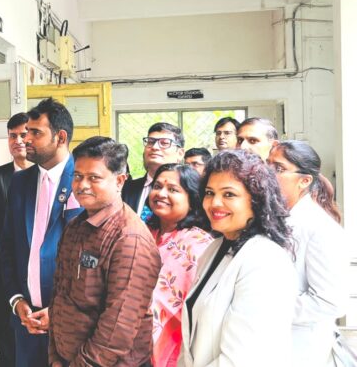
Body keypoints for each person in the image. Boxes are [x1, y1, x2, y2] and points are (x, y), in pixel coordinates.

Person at [49, 136, 161, 367]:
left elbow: (119, 325)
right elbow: (60, 296)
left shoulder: (130, 238)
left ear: (120, 181)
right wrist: (55, 358)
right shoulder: (76, 227)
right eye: (78, 176)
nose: (82, 185)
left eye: (94, 178)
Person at [178, 150, 296, 367]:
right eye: (210, 193)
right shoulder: (214, 248)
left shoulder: (265, 260)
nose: (214, 203)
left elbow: (242, 358)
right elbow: (190, 341)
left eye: (229, 194)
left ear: (256, 200)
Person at [0, 98, 82, 367]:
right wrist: (16, 299)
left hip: (72, 321)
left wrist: (59, 310)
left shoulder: (83, 180)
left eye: (35, 133)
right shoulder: (21, 182)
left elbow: (90, 259)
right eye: (25, 133)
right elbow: (9, 245)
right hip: (27, 320)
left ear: (60, 137)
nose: (26, 140)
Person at [267, 141, 348, 367]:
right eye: (267, 165)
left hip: (300, 350)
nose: (268, 173)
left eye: (279, 169)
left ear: (304, 180)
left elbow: (331, 301)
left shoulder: (319, 228)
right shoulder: (278, 218)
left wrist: (265, 307)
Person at [145, 164, 213, 367]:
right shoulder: (143, 232)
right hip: (129, 340)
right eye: (157, 186)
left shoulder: (198, 243)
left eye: (173, 190)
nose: (161, 194)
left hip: (176, 345)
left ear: (192, 200)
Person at [0, 112, 32, 367]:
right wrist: (8, 256)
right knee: (5, 342)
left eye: (24, 134)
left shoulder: (44, 178)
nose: (18, 140)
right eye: (12, 136)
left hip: (37, 279)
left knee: (34, 343)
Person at [122, 122, 185, 219]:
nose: (155, 147)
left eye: (164, 143)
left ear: (180, 153)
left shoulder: (188, 191)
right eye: (151, 142)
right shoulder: (125, 189)